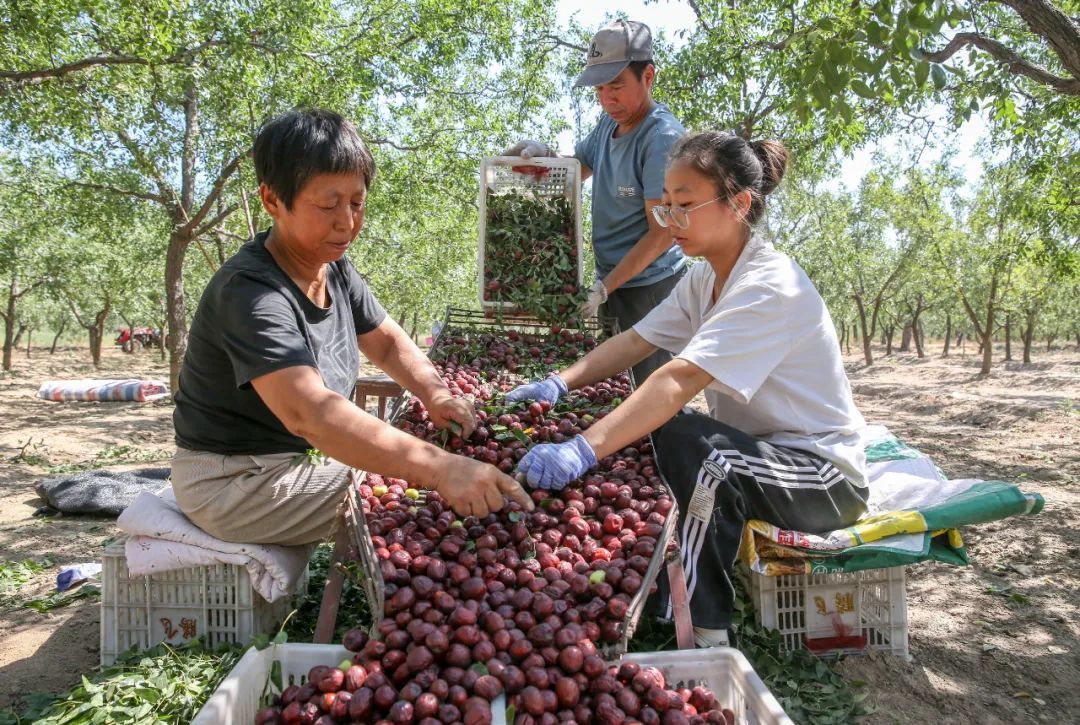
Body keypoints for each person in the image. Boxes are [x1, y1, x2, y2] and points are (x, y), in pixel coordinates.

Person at [507, 132, 869, 646]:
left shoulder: (768, 286)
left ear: (738, 203)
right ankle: (660, 584)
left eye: (684, 206)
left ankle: (706, 630)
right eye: (666, 207)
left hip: (823, 477)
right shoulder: (704, 280)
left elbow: (677, 380)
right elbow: (636, 340)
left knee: (699, 449)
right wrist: (558, 383)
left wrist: (582, 448)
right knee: (669, 437)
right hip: (769, 458)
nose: (670, 221)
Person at [172, 108, 531, 547]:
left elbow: (386, 343)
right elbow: (312, 414)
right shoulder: (251, 295)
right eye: (328, 204)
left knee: (429, 483)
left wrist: (434, 393)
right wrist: (440, 468)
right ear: (272, 201)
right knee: (416, 500)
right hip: (236, 482)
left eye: (357, 203)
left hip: (293, 462)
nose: (347, 221)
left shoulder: (333, 267)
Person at [506, 19, 686, 383]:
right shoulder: (608, 125)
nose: (607, 99)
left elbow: (662, 233)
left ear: (648, 76)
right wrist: (542, 159)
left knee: (648, 395)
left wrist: (605, 287)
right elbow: (576, 170)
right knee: (615, 388)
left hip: (650, 290)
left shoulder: (660, 138)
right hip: (613, 286)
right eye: (600, 89)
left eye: (616, 86)